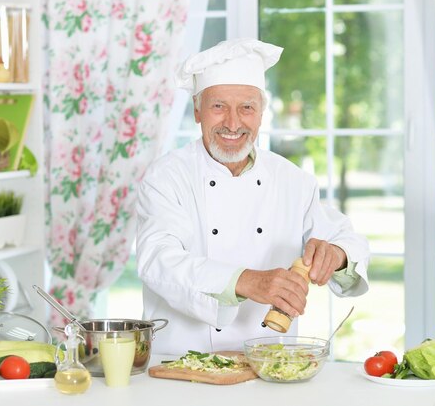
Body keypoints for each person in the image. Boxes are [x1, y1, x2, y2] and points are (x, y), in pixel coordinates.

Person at [136, 38, 370, 355]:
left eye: (247, 107)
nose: (233, 123)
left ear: (261, 113)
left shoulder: (292, 180)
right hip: (181, 365)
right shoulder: (166, 177)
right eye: (218, 106)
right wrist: (246, 281)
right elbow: (159, 260)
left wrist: (337, 255)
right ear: (196, 111)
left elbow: (346, 237)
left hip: (271, 365)